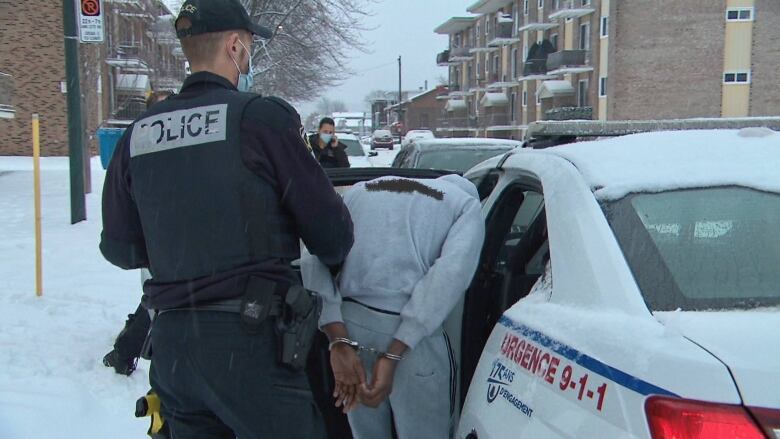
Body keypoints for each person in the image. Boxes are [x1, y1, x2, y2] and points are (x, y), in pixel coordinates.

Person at [99, 0, 354, 437]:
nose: (249, 55)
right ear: (235, 46)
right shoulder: (260, 120)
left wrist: (182, 249)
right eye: (250, 45)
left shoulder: (139, 134)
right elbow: (332, 234)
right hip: (253, 344)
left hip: (176, 348)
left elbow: (120, 249)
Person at [301, 175, 485, 438]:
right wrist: (395, 352)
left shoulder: (361, 191)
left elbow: (313, 254)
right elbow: (449, 277)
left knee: (367, 433)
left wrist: (337, 339)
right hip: (414, 341)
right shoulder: (465, 205)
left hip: (351, 329)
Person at [102, 89, 177, 377]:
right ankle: (126, 351)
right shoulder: (138, 145)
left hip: (181, 236)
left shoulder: (179, 145)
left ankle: (127, 348)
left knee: (159, 297)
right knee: (157, 299)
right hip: (154, 237)